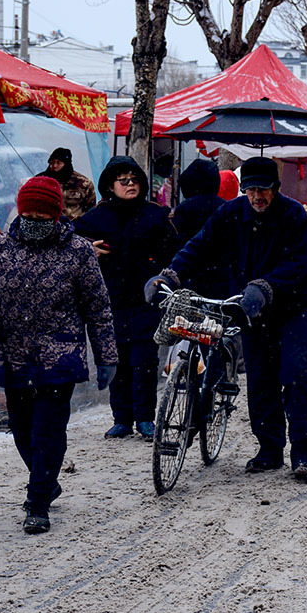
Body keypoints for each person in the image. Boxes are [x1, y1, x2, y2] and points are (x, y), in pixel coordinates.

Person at [144, 156, 307, 481]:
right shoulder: (230, 212)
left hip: (293, 308)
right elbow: (198, 247)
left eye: (263, 190)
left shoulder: (293, 214)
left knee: (296, 374)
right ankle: (269, 449)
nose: (257, 197)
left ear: (276, 189)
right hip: (249, 310)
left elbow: (298, 265)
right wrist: (169, 276)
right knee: (261, 377)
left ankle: (302, 450)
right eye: (250, 189)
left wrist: (265, 287)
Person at [0, 176, 118, 533]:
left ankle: (37, 502)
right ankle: (45, 479)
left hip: (58, 357)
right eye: (28, 214)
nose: (34, 222)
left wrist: (106, 355)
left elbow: (98, 308)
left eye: (42, 216)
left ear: (56, 216)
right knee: (21, 429)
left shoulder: (78, 251)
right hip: (12, 354)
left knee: (48, 430)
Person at [74, 156, 178, 440]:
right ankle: (121, 418)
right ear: (110, 185)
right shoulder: (98, 216)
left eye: (134, 179)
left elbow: (174, 250)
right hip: (110, 300)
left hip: (146, 300)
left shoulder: (154, 215)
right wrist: (87, 249)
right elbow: (69, 240)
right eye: (123, 180)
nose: (130, 184)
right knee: (115, 359)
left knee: (144, 361)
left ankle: (145, 418)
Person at [171, 159, 226, 299]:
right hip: (220, 274)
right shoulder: (225, 207)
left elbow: (178, 240)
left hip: (190, 271)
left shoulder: (185, 208)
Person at [37, 147, 96, 220]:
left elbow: (91, 210)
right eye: (52, 162)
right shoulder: (39, 181)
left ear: (66, 164)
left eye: (59, 163)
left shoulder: (83, 183)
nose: (55, 166)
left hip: (75, 227)